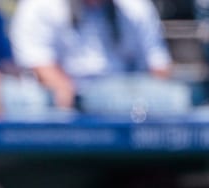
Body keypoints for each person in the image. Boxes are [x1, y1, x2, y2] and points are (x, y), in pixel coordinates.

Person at [9, 0, 172, 110]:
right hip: (69, 98)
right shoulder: (39, 6)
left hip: (127, 95)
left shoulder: (136, 6)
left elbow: (158, 66)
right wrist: (69, 94)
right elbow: (39, 63)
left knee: (174, 98)